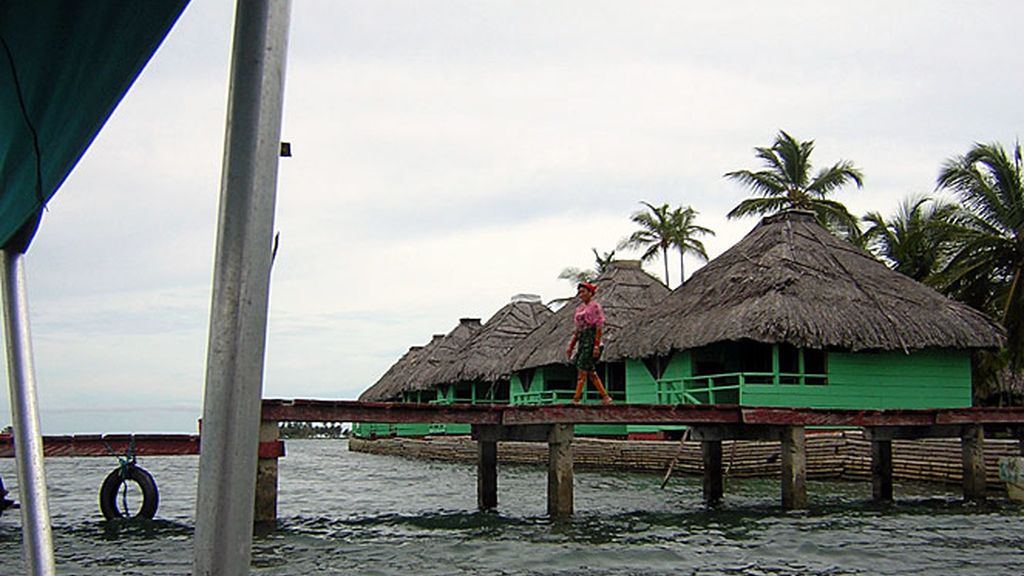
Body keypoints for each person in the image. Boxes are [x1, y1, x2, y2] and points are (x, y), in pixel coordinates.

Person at [565, 282, 613, 404]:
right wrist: (571, 346)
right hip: (582, 339)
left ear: (590, 293)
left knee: (582, 369)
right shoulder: (579, 309)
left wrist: (596, 345)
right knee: (590, 371)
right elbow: (578, 330)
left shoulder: (595, 307)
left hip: (591, 339)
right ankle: (605, 397)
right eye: (579, 292)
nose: (581, 295)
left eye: (583, 292)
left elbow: (598, 328)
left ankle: (576, 398)